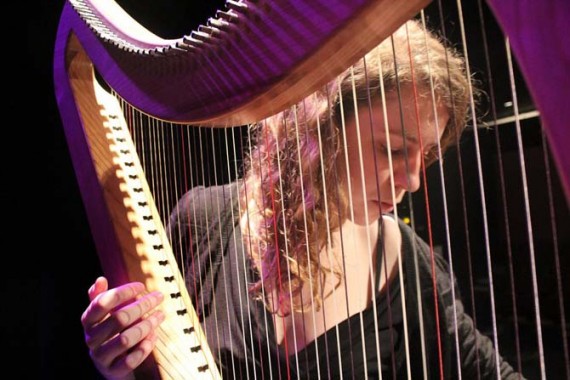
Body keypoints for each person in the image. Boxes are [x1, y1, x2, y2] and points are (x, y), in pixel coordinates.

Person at [81, 19, 525, 379]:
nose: (412, 181)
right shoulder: (204, 220)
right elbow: (147, 362)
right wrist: (116, 359)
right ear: (324, 128)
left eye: (424, 155)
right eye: (392, 149)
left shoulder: (408, 263)